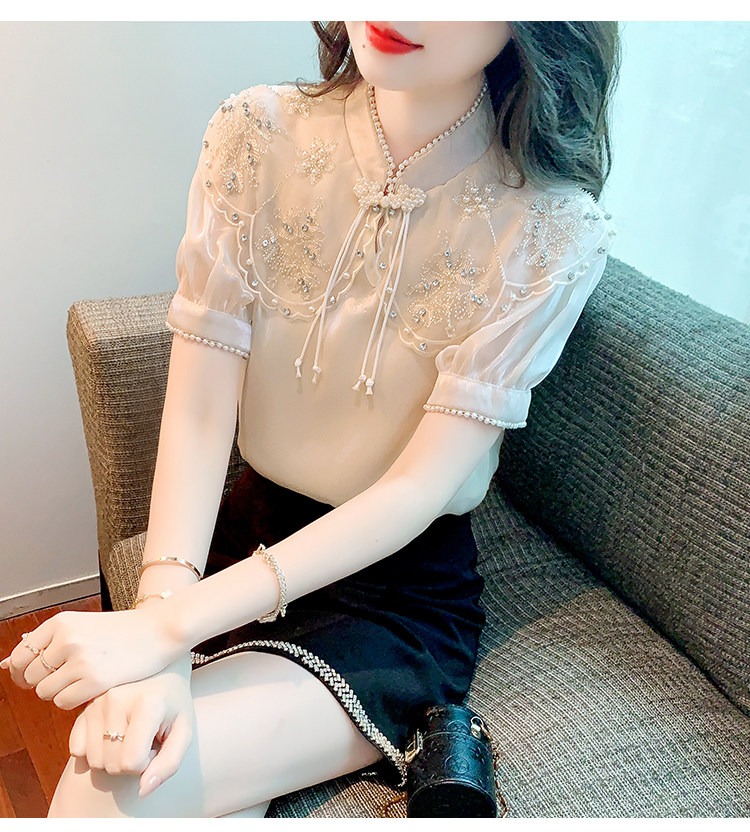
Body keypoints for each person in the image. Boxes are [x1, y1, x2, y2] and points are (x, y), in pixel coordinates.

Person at [1, 21, 620, 818]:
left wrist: (167, 632)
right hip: (232, 536)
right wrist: (164, 619)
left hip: (394, 589)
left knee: (112, 789)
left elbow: (416, 489)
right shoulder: (254, 132)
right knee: (127, 770)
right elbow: (198, 411)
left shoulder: (551, 229)